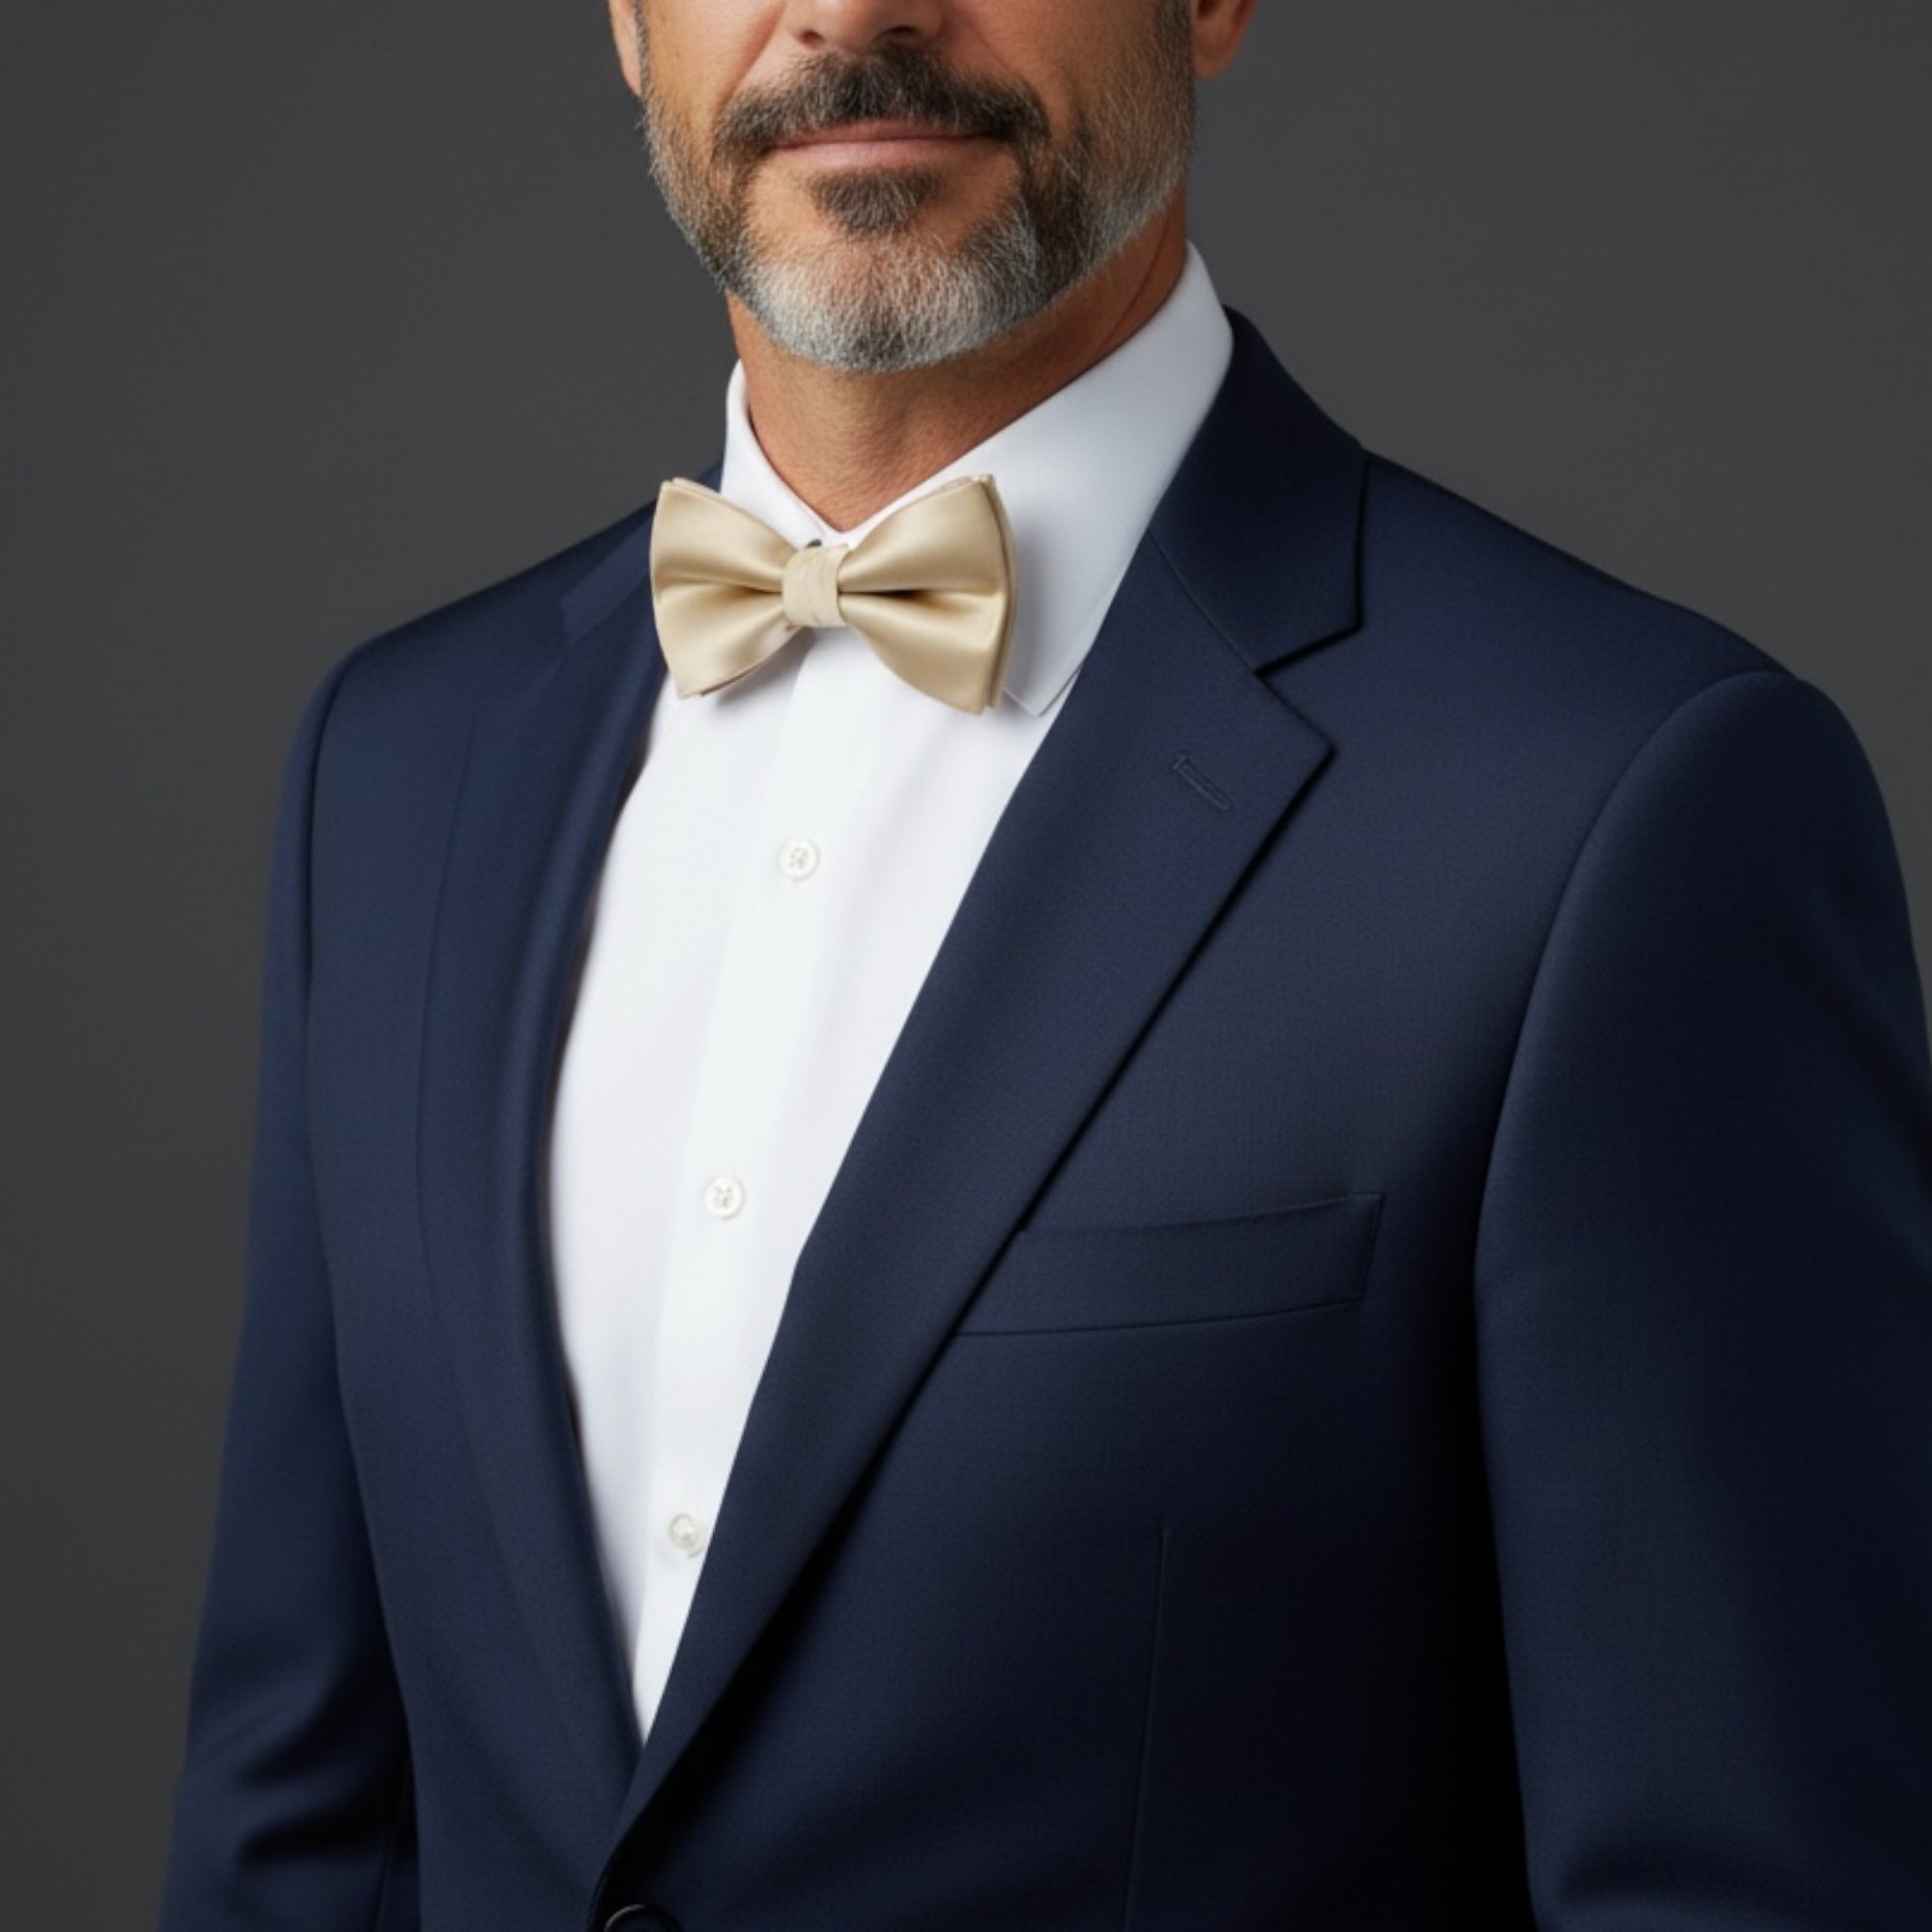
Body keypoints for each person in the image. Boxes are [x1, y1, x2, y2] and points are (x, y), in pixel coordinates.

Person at [156, 1, 1932, 1927]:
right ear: (624, 18)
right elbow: (297, 1819)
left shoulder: (1622, 801)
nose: (852, 14)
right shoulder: (399, 767)